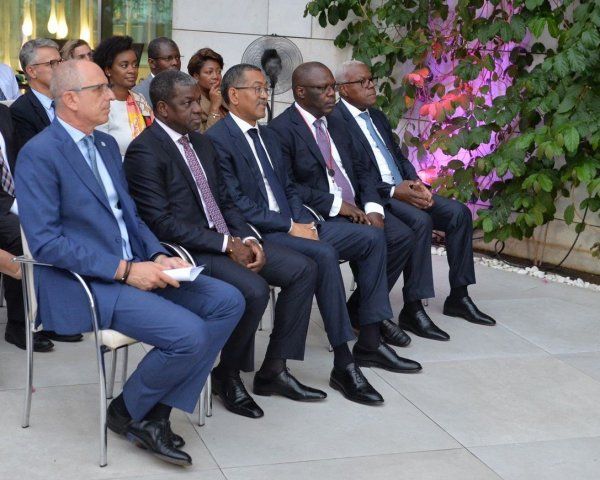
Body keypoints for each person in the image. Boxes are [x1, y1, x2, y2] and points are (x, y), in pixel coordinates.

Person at [15, 59, 244, 466]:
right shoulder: (40, 154)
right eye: (100, 89)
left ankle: (148, 412)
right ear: (71, 99)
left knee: (228, 301)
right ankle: (129, 413)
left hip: (135, 265)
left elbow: (131, 217)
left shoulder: (105, 145)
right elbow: (47, 244)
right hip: (85, 282)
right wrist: (125, 270)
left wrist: (156, 254)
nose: (111, 96)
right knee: (189, 334)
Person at [208, 64, 422, 407]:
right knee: (321, 256)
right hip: (261, 232)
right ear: (233, 95)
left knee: (371, 238)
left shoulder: (267, 135)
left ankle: (369, 341)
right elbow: (235, 203)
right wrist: (290, 226)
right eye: (257, 89)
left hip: (295, 222)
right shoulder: (217, 140)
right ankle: (343, 362)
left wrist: (302, 220)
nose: (265, 96)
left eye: (265, 89)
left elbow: (290, 187)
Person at [125, 70, 324, 419]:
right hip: (188, 249)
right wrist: (225, 244)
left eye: (198, 101)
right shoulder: (145, 151)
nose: (199, 109)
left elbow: (226, 202)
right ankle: (227, 375)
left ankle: (274, 369)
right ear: (163, 108)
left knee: (304, 269)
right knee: (254, 290)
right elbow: (162, 223)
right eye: (187, 103)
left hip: (226, 237)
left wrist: (247, 238)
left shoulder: (202, 144)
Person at [334, 60, 496, 335]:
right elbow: (352, 174)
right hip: (375, 197)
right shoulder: (336, 121)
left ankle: (459, 296)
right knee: (420, 222)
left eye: (371, 79)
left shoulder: (376, 116)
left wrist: (416, 183)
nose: (371, 86)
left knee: (458, 214)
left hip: (403, 188)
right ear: (344, 89)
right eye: (362, 82)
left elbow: (399, 157)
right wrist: (392, 190)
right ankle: (413, 307)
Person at [268, 62, 421, 345]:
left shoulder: (337, 122)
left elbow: (363, 170)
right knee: (373, 239)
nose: (331, 94)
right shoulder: (281, 129)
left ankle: (362, 311)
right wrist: (338, 205)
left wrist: (373, 208)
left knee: (401, 236)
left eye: (332, 87)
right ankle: (371, 327)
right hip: (323, 212)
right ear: (300, 92)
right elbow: (289, 186)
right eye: (323, 88)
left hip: (358, 206)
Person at [0, 103, 54, 352]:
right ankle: (20, 324)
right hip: (5, 205)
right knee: (22, 235)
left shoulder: (3, 113)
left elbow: (20, 160)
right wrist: (17, 206)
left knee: (54, 223)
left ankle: (51, 316)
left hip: (15, 195)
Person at [93, 35, 153, 157]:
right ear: (108, 70)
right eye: (124, 65)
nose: (132, 70)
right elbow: (101, 151)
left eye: (135, 65)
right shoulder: (101, 104)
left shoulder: (139, 100)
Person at [10, 38, 62, 151]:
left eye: (60, 62)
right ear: (32, 71)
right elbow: (34, 153)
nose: (59, 68)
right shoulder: (21, 111)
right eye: (52, 63)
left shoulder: (70, 100)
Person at [133, 37, 182, 107]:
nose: (175, 62)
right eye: (168, 58)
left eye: (177, 58)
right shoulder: (138, 94)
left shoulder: (185, 87)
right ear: (152, 63)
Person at [187, 48, 228, 132]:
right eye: (209, 72)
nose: (216, 77)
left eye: (219, 72)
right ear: (196, 76)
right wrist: (214, 107)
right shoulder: (191, 103)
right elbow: (205, 137)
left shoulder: (225, 94)